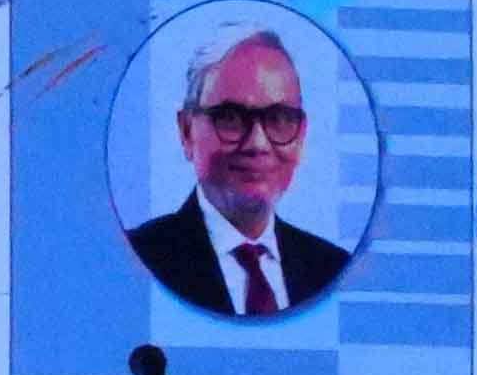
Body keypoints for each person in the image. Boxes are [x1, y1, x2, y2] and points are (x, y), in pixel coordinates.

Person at [124, 26, 355, 322]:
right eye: (230, 118)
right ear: (186, 131)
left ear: (301, 134)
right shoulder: (138, 260)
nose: (258, 144)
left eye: (279, 118)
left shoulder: (333, 269)